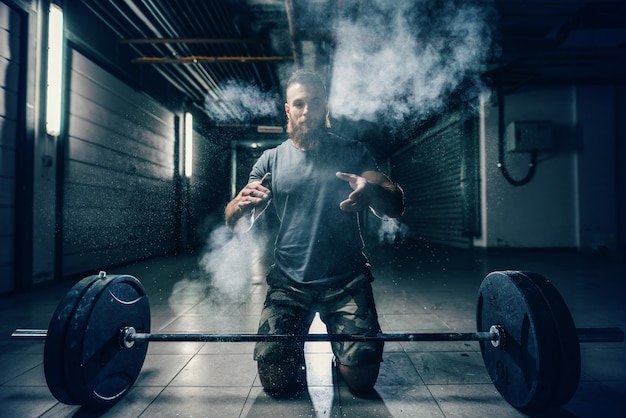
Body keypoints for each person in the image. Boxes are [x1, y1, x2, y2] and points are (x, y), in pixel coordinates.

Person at [224, 70, 404, 395]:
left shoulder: (353, 152)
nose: (308, 111)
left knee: (361, 382)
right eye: (300, 103)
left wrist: (373, 193)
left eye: (315, 102)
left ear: (326, 108)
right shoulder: (270, 160)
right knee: (275, 381)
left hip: (346, 280)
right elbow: (236, 221)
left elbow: (395, 203)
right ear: (288, 110)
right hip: (290, 283)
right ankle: (294, 353)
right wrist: (238, 206)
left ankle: (343, 357)